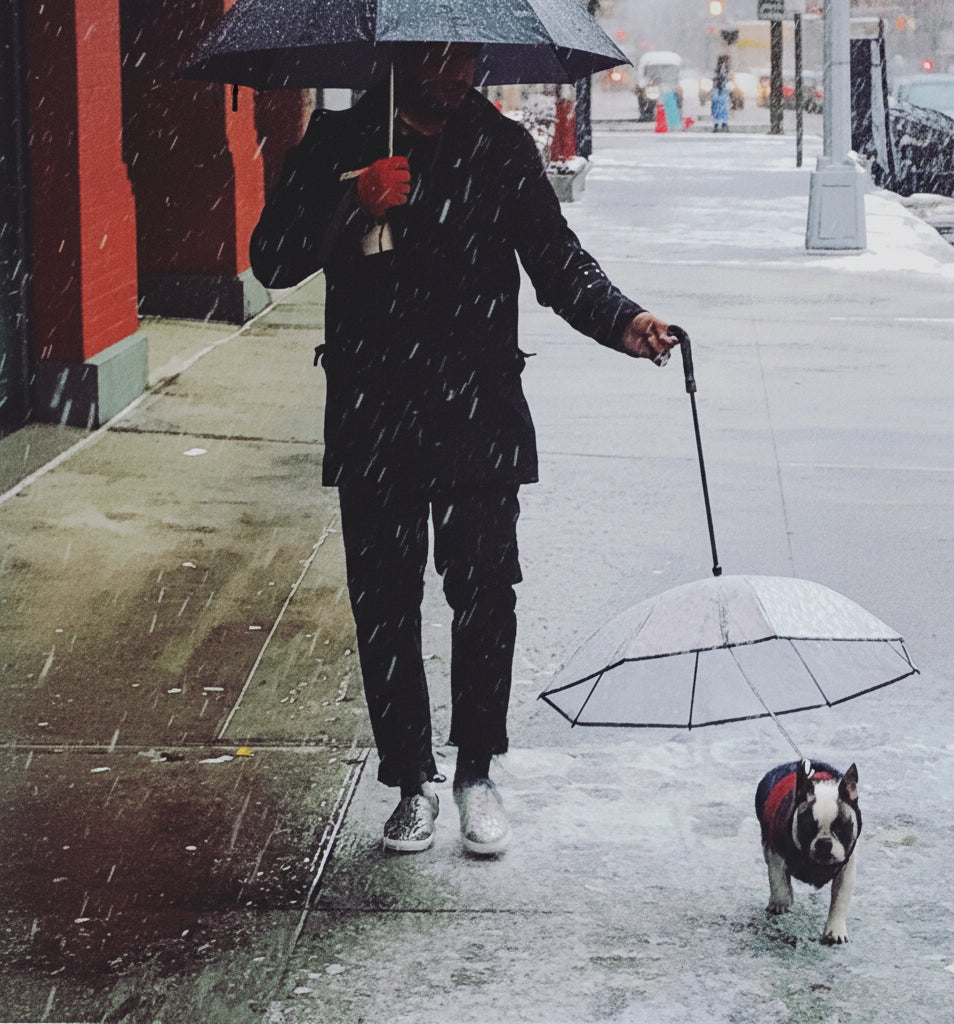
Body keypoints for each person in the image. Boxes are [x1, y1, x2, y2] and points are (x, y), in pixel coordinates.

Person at [250, 42, 677, 856]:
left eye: (468, 60)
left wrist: (624, 320)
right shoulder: (341, 141)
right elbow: (270, 260)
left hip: (479, 412)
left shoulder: (500, 147)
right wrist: (350, 203)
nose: (457, 75)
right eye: (441, 60)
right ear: (404, 53)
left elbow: (555, 263)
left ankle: (477, 770)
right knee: (385, 605)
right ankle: (412, 780)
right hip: (378, 415)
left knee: (486, 597)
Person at [711, 55, 731, 133]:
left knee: (717, 109)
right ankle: (724, 124)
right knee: (723, 108)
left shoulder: (717, 72)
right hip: (722, 91)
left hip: (718, 90)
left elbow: (716, 79)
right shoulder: (725, 72)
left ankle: (717, 124)